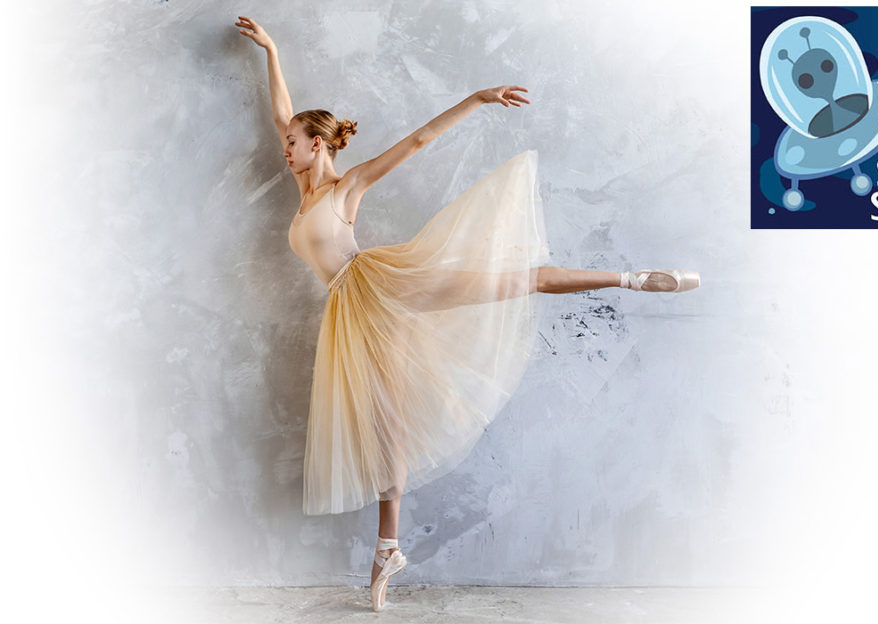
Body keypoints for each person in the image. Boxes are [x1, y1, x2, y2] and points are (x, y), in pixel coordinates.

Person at [236, 15, 700, 611]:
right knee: (386, 429)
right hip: (353, 316)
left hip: (381, 283)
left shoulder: (347, 187)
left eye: (293, 143)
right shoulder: (304, 196)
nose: (285, 148)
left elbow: (418, 141)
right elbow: (283, 112)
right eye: (287, 142)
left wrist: (477, 98)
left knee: (506, 280)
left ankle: (633, 278)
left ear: (317, 145)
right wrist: (272, 49)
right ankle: (387, 550)